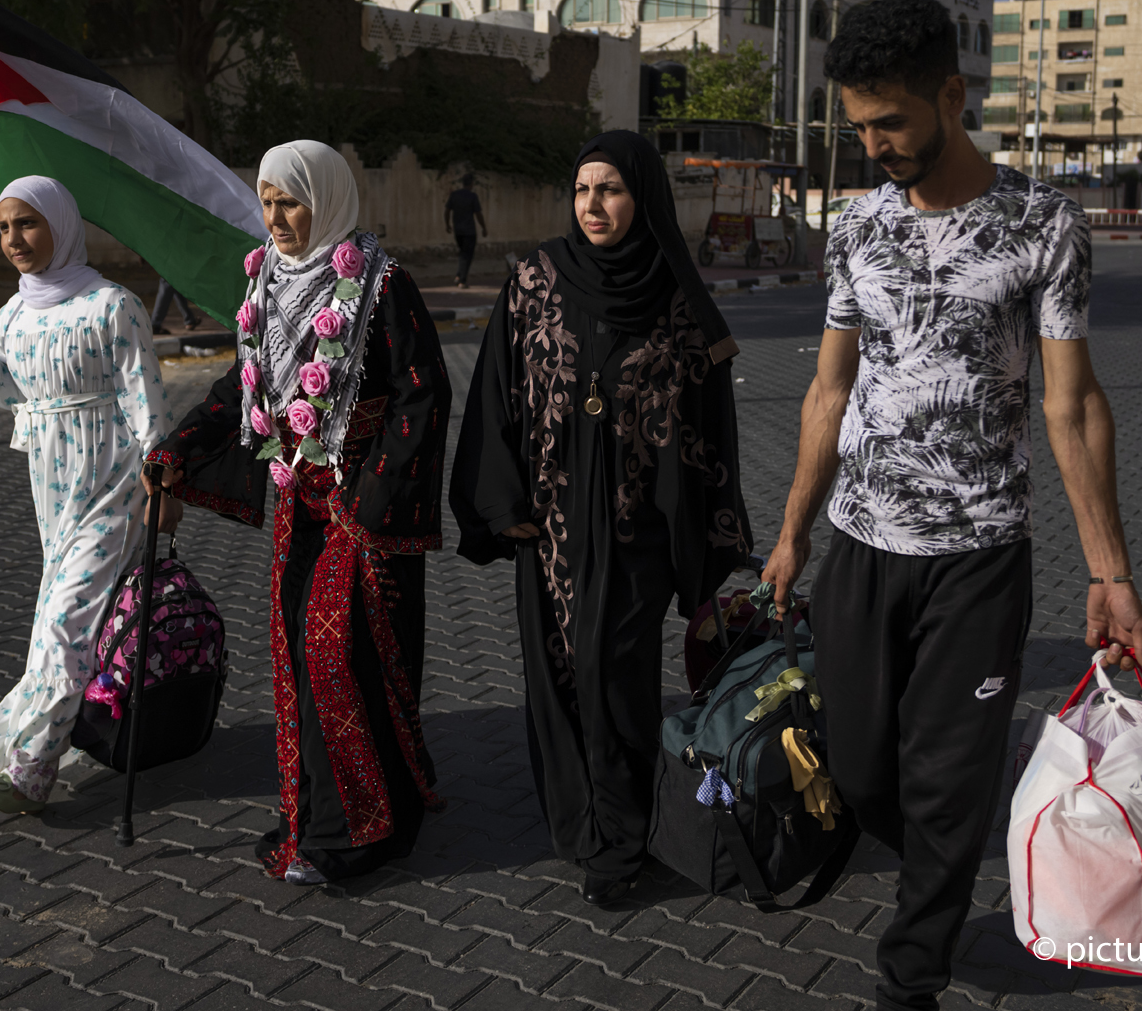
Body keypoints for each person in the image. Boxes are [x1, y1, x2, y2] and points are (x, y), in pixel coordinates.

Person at [758, 0, 1142, 1011]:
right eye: (856, 126)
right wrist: (794, 530)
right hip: (858, 544)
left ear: (951, 95)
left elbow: (1071, 406)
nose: (872, 143)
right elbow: (828, 390)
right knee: (856, 765)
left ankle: (911, 972)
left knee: (944, 779)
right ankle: (941, 855)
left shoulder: (1040, 226)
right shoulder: (854, 226)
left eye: (888, 121)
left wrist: (1109, 573)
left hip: (977, 556)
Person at [451, 130, 750, 908]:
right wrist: (499, 501)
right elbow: (495, 393)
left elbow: (711, 427)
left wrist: (710, 542)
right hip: (547, 530)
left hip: (635, 533)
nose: (592, 205)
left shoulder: (677, 300)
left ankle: (620, 843)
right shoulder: (536, 279)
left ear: (641, 197)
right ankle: (581, 824)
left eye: (610, 189)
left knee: (614, 680)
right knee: (557, 679)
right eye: (582, 190)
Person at [147, 140, 450, 885]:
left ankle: (359, 829)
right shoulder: (268, 285)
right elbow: (242, 388)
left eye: (292, 201)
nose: (277, 217)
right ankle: (319, 814)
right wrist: (178, 448)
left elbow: (422, 393)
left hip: (364, 505)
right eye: (269, 200)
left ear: (328, 198)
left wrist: (376, 492)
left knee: (337, 652)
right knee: (299, 658)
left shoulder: (381, 284)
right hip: (299, 503)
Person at [0, 175, 179, 815]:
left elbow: (145, 402)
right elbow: (15, 393)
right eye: (5, 227)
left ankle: (29, 770)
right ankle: (37, 743)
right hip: (52, 493)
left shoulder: (112, 305)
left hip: (113, 487)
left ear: (62, 226)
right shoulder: (14, 311)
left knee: (65, 628)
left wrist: (163, 482)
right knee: (55, 628)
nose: (14, 239)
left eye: (27, 224)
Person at [444, 174, 487, 287]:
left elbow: (447, 211)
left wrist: (447, 224)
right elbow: (478, 214)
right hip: (469, 231)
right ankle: (462, 280)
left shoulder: (454, 195)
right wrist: (484, 227)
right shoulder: (472, 196)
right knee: (467, 255)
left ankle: (459, 275)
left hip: (458, 231)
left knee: (463, 254)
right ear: (471, 184)